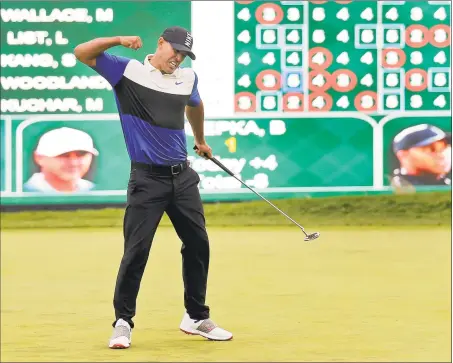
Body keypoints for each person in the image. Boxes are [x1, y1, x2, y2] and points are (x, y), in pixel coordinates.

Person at [74, 26, 232, 349]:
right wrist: (119, 39)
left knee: (198, 243)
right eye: (174, 50)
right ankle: (122, 322)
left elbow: (195, 105)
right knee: (136, 251)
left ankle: (196, 316)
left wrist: (200, 140)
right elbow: (82, 52)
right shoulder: (126, 71)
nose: (178, 58)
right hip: (147, 180)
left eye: (183, 54)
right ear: (160, 43)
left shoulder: (188, 78)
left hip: (183, 177)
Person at [23, 127, 98, 193]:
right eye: (64, 155)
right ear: (39, 158)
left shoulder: (94, 191)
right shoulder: (25, 193)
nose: (73, 163)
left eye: (81, 154)